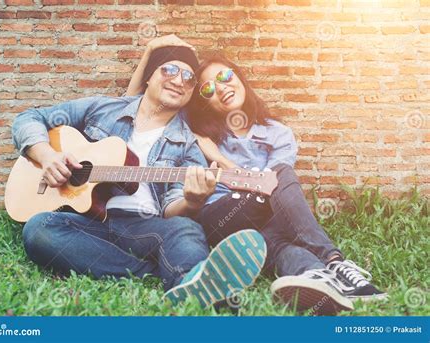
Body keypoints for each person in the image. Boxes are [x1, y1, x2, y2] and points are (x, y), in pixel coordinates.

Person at [127, 36, 387, 315]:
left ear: (240, 77)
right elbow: (133, 109)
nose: (221, 88)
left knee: (273, 238)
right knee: (279, 178)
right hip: (218, 217)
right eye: (208, 89)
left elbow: (268, 186)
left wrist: (219, 158)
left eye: (226, 76)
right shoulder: (194, 130)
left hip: (262, 220)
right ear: (204, 103)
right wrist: (150, 52)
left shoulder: (277, 133)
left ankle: (313, 274)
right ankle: (334, 261)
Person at [11, 44, 267, 308]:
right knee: (39, 229)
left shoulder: (188, 144)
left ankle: (190, 285)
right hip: (88, 223)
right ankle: (152, 271)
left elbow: (171, 208)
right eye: (170, 70)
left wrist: (192, 200)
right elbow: (28, 118)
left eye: (189, 78)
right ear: (149, 77)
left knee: (185, 229)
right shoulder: (102, 108)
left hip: (144, 227)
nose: (179, 80)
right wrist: (47, 156)